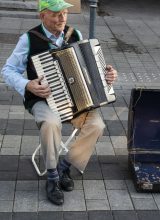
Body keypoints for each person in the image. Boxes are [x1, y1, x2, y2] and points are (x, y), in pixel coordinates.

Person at [1, 0, 117, 205]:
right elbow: (8, 70)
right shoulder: (28, 39)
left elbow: (90, 69)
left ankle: (66, 167)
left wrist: (107, 76)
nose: (61, 18)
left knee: (97, 125)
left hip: (77, 101)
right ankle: (53, 178)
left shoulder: (75, 35)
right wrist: (28, 84)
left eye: (64, 13)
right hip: (42, 100)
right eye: (55, 14)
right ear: (42, 16)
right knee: (51, 123)